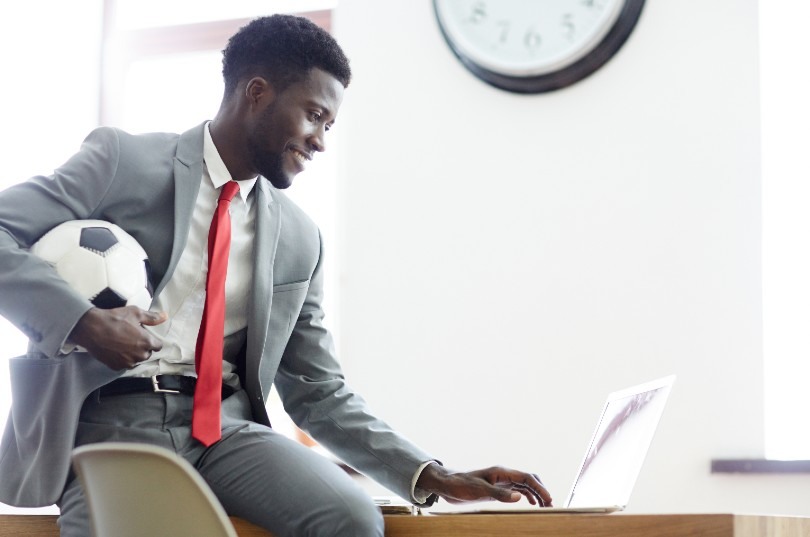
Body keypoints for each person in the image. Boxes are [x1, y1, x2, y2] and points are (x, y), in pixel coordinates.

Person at [0, 14, 552, 537]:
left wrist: (430, 475)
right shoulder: (123, 160)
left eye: (330, 124)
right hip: (113, 418)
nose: (321, 140)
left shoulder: (299, 238)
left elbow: (317, 390)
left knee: (353, 518)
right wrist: (83, 323)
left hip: (224, 430)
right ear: (256, 92)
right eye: (314, 115)